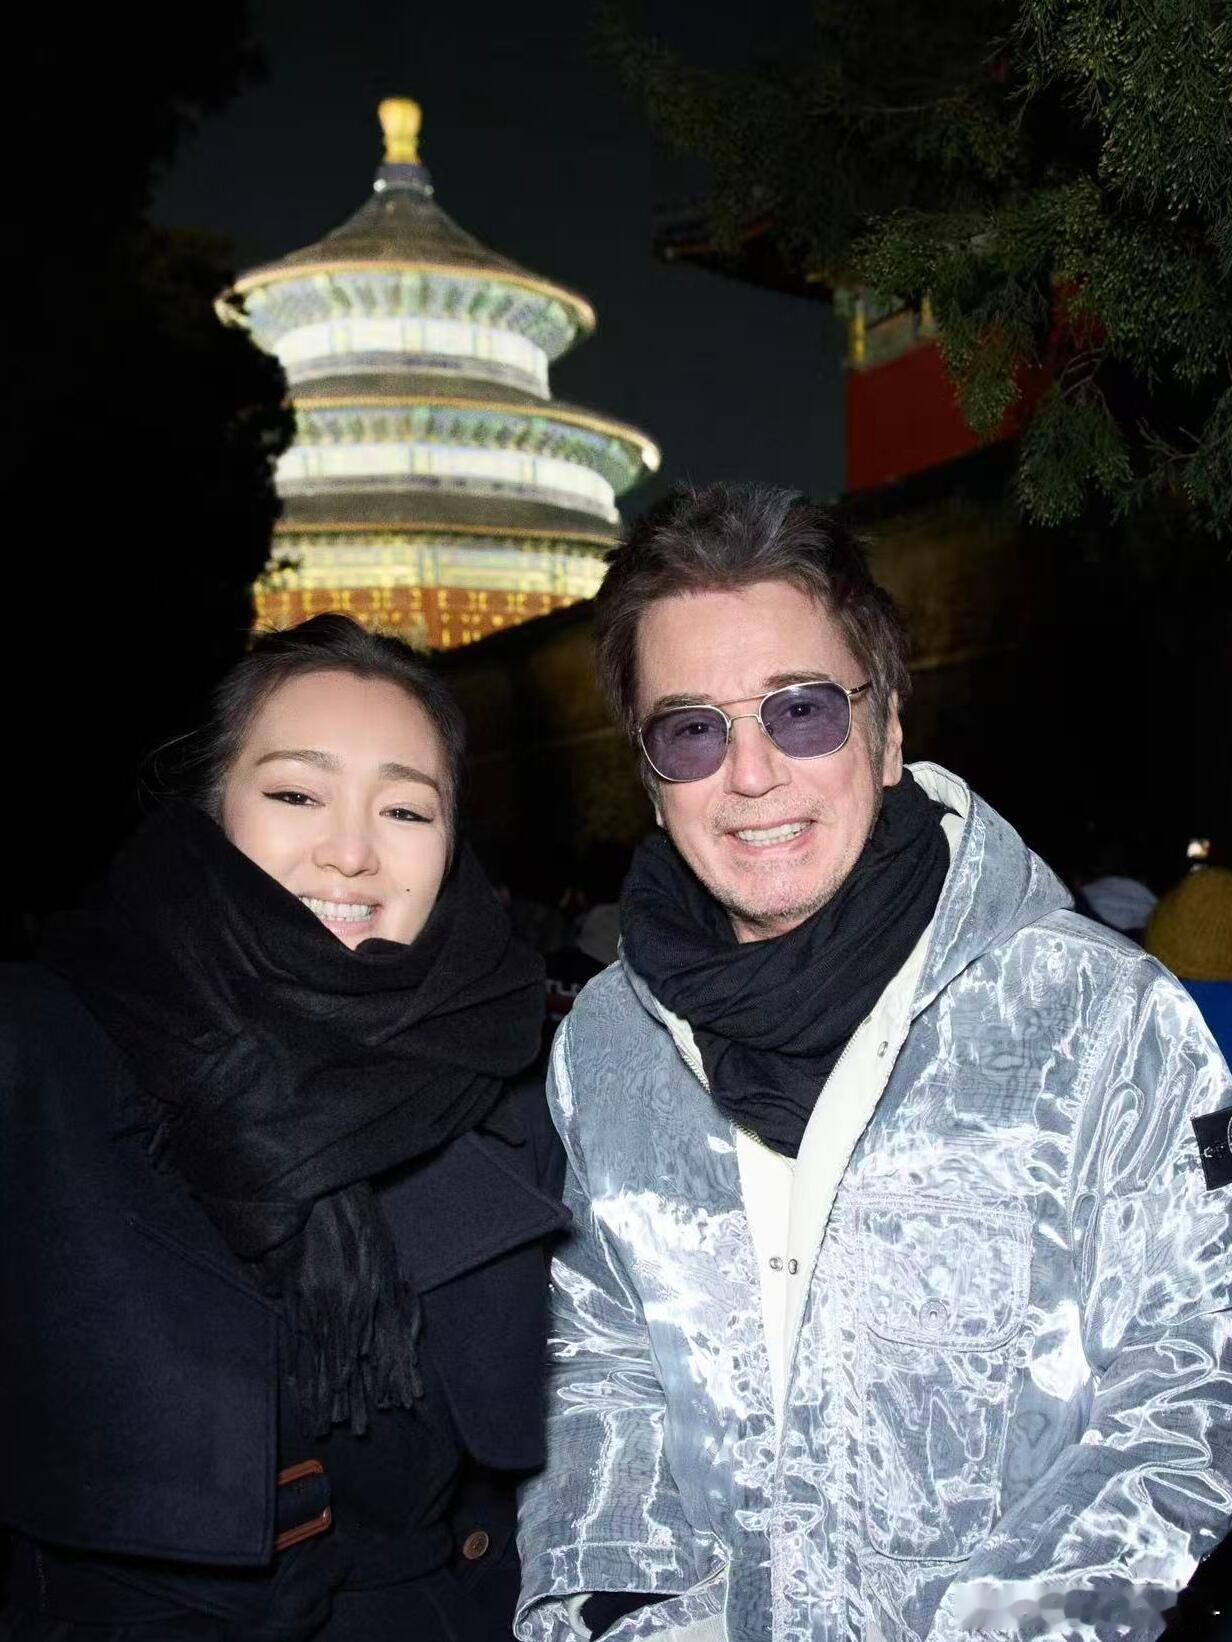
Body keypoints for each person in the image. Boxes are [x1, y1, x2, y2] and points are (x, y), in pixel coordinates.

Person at [515, 483, 1232, 1642]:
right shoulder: (603, 1043)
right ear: (650, 779)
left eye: (800, 711)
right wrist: (612, 1615)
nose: (751, 772)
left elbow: (1188, 1395)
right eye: (692, 730)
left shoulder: (1099, 1020)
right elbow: (596, 1362)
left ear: (887, 729)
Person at [0, 614, 567, 1641]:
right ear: (213, 807)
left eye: (405, 808)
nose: (349, 853)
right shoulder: (41, 1051)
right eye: (297, 794)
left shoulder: (516, 1065)